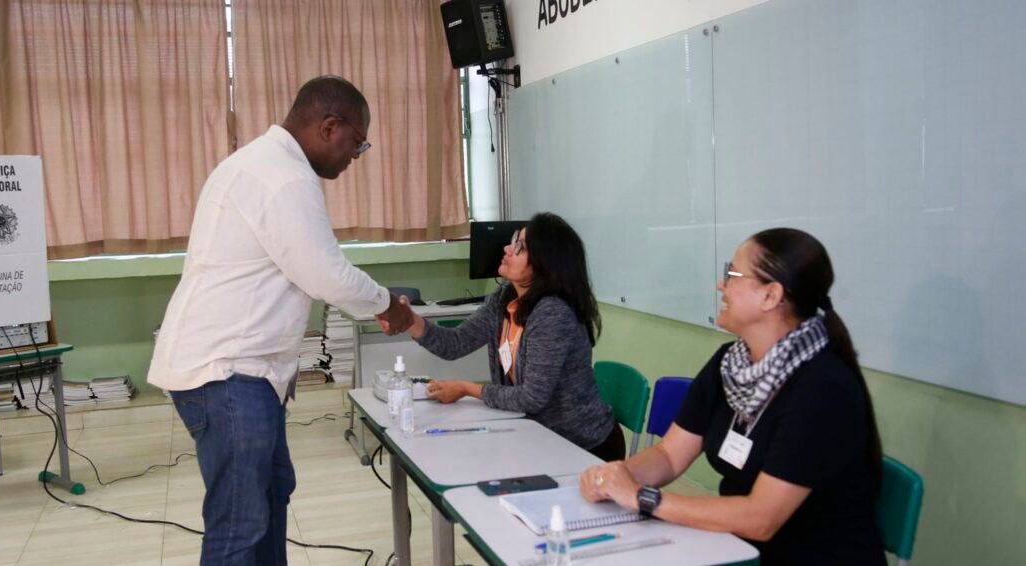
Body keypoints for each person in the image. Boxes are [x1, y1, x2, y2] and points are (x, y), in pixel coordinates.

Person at [147, 76, 414, 565]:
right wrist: (386, 304)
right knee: (240, 525)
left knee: (271, 497)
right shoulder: (283, 177)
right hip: (227, 373)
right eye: (358, 143)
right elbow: (325, 275)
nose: (357, 156)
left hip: (241, 373)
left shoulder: (265, 164)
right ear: (330, 127)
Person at [579, 228, 885, 565]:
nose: (720, 285)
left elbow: (761, 518)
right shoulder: (731, 363)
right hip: (734, 547)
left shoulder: (823, 389)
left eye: (732, 274)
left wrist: (642, 498)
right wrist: (614, 477)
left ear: (771, 295)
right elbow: (669, 455)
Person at [382, 212, 625, 462]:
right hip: (537, 435)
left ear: (545, 262)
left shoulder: (552, 313)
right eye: (513, 241)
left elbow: (532, 398)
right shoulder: (504, 300)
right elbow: (455, 344)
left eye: (520, 247)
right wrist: (409, 320)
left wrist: (467, 388)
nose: (508, 248)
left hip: (582, 447)